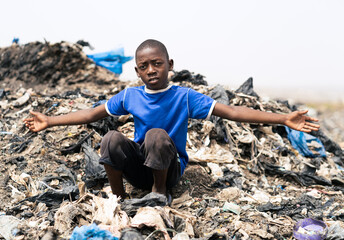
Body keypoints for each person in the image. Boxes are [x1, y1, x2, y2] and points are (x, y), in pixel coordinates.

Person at [24, 39, 320, 201]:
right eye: (144, 66)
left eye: (157, 63)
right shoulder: (129, 96)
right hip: (139, 166)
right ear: (137, 72)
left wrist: (283, 118)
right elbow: (90, 114)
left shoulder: (185, 96)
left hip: (168, 168)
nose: (151, 69)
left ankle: (158, 194)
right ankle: (118, 198)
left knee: (155, 134)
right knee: (111, 139)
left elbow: (233, 112)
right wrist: (49, 121)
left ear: (170, 65)